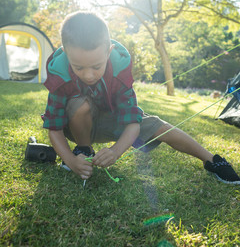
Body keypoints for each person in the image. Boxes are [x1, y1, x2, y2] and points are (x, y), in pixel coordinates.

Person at [42, 11, 240, 185]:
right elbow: (54, 128)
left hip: (112, 121)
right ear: (66, 54)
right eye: (79, 67)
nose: (88, 75)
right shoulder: (59, 73)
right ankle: (83, 150)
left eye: (96, 66)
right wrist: (69, 159)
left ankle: (213, 160)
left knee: (159, 126)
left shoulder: (119, 69)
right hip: (75, 126)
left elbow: (132, 123)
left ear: (108, 52)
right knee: (80, 104)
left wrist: (115, 151)